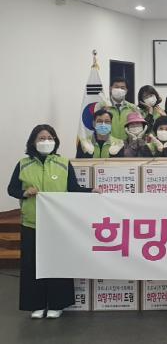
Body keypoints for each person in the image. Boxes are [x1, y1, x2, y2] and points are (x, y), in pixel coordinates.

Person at [7, 124, 95, 319]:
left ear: (55, 141)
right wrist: (24, 192)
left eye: (50, 138)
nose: (46, 141)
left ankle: (57, 304)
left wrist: (91, 191)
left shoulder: (63, 163)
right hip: (32, 223)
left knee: (58, 263)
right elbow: (11, 189)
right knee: (32, 265)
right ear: (33, 142)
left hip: (58, 224)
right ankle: (36, 305)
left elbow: (73, 188)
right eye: (41, 138)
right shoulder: (23, 164)